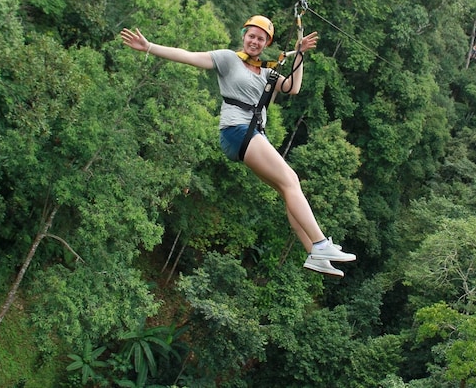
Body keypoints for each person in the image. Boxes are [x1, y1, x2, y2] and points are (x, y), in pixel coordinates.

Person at [120, 15, 356, 277]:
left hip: (252, 135)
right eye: (251, 36)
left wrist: (300, 55)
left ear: (266, 43)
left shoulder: (267, 72)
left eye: (261, 38)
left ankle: (314, 252)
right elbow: (188, 56)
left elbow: (293, 88)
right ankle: (321, 243)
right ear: (244, 36)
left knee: (286, 188)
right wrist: (150, 46)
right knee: (291, 179)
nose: (255, 41)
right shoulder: (228, 59)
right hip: (237, 131)